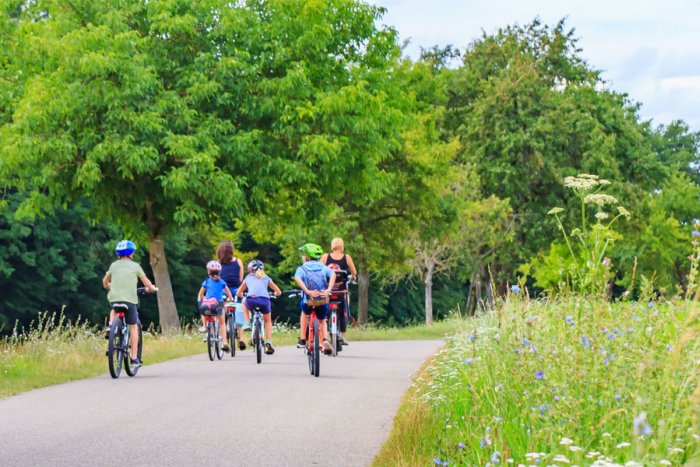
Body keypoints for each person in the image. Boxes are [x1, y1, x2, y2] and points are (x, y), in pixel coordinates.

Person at [102, 240, 156, 368]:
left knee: (114, 309)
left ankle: (111, 327)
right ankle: (133, 358)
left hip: (115, 298)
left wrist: (109, 286)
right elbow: (147, 284)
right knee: (133, 327)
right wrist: (150, 289)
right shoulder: (135, 266)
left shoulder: (113, 265)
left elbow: (105, 281)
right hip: (130, 300)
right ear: (131, 253)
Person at [295, 243, 336, 354]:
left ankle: (303, 339)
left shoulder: (302, 268)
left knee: (304, 313)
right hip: (322, 300)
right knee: (322, 320)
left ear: (307, 256)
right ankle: (325, 340)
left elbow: (297, 278)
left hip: (308, 300)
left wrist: (307, 291)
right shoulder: (323, 267)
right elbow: (333, 275)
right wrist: (328, 291)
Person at [236, 260, 282, 354]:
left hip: (251, 300)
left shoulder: (248, 278)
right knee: (268, 321)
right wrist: (276, 293)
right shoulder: (266, 277)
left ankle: (248, 322)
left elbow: (238, 292)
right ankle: (269, 341)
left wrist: (241, 295)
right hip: (264, 301)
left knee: (244, 301)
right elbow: (278, 291)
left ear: (249, 270)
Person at [320, 237, 357, 345]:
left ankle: (324, 337)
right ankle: (343, 335)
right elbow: (354, 273)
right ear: (342, 247)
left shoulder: (325, 257)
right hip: (341, 292)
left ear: (332, 246)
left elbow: (319, 270)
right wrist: (352, 278)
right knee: (345, 310)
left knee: (323, 312)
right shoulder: (347, 258)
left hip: (328, 291)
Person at [217, 240, 247, 350]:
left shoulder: (218, 264)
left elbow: (218, 280)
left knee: (222, 315)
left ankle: (224, 340)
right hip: (236, 290)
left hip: (224, 290)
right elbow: (241, 279)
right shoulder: (238, 262)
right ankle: (242, 338)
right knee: (239, 311)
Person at [198, 260, 234, 352]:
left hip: (208, 305)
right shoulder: (222, 282)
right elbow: (229, 294)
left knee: (203, 309)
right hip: (218, 304)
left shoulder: (206, 282)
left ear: (208, 272)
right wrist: (230, 298)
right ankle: (225, 342)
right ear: (219, 271)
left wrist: (204, 298)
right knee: (222, 323)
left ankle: (205, 326)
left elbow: (201, 294)